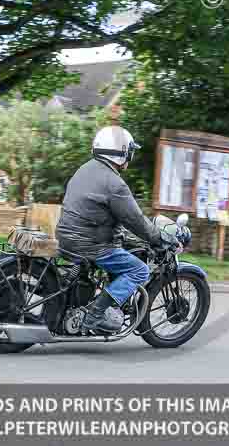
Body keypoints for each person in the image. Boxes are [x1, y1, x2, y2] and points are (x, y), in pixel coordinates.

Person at [55, 126, 179, 333]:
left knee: (121, 253)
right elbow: (135, 220)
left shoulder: (85, 169)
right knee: (139, 269)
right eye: (130, 151)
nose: (131, 155)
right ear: (121, 152)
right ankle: (95, 313)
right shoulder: (114, 184)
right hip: (90, 245)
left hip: (66, 236)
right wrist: (159, 239)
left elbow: (101, 213)